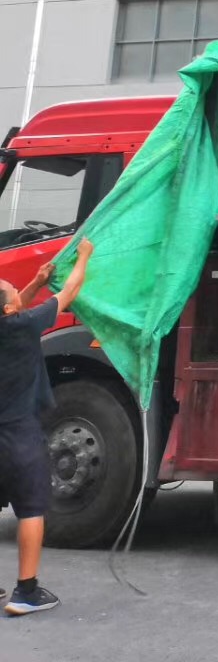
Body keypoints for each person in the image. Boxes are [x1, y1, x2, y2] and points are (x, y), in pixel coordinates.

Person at [0, 238, 94, 617]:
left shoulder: (15, 321)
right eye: (10, 287)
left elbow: (13, 306)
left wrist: (36, 282)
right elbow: (70, 291)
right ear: (10, 308)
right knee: (30, 510)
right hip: (19, 435)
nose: (13, 287)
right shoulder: (23, 326)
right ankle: (26, 592)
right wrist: (84, 255)